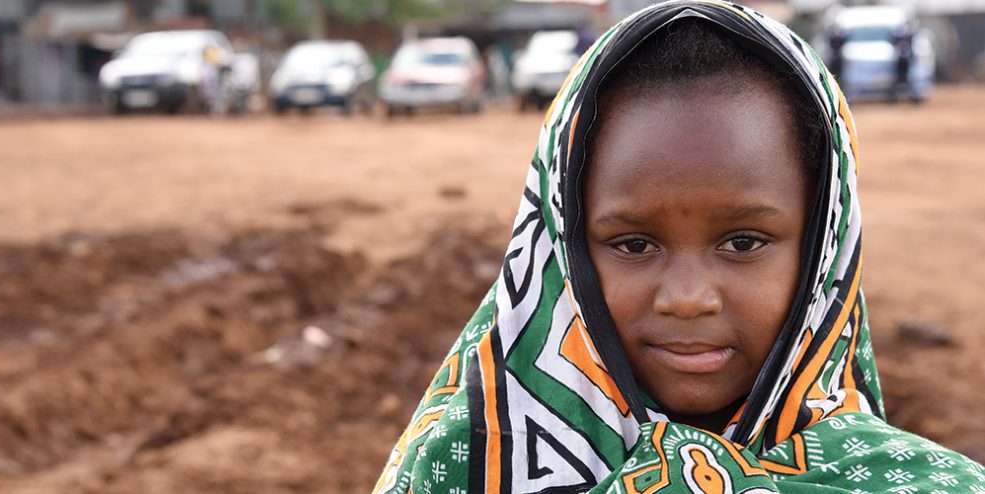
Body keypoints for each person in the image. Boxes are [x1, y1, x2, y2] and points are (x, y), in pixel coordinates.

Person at [371, 2, 985, 493]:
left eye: (743, 242)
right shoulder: (462, 466)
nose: (687, 299)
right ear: (565, 250)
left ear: (823, 250)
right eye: (634, 244)